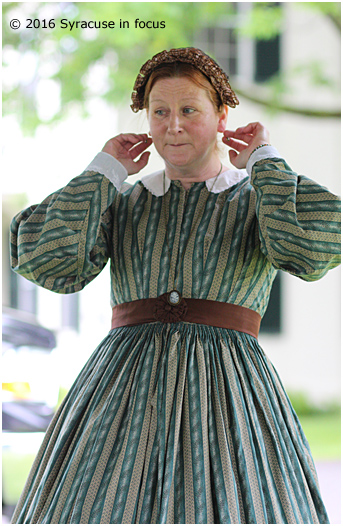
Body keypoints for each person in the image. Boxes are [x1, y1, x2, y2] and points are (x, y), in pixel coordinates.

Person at [10, 47, 340, 524]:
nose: (173, 125)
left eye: (189, 110)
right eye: (159, 112)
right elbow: (47, 260)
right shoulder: (123, 201)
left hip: (228, 389)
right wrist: (102, 173)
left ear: (222, 115)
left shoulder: (257, 199)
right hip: (123, 388)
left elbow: (310, 250)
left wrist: (265, 162)